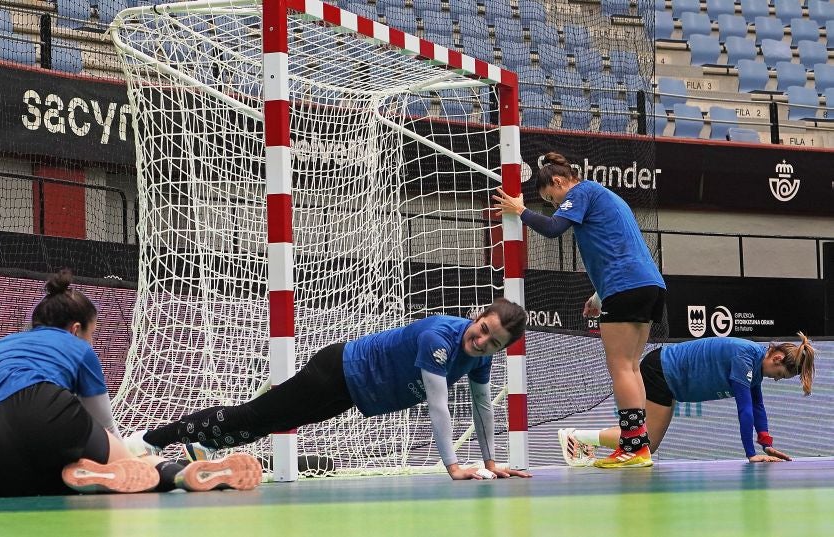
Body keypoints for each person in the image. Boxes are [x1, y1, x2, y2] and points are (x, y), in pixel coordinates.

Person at [0, 269, 262, 497]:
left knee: (52, 479)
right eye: (92, 333)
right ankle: (179, 473)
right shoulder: (75, 347)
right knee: (130, 465)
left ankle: (89, 478)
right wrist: (127, 458)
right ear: (77, 329)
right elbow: (105, 425)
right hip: (42, 412)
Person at [126, 298, 533, 480]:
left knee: (266, 423)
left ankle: (199, 451)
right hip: (336, 372)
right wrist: (453, 467)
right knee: (255, 415)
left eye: (492, 343)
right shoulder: (439, 338)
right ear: (476, 316)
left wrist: (492, 460)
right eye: (482, 331)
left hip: (350, 393)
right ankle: (146, 443)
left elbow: (483, 407)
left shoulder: (480, 359)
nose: (481, 343)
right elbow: (439, 406)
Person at [492, 152, 666, 468]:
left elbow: (553, 228)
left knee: (622, 368)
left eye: (552, 197)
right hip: (649, 285)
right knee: (632, 366)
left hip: (625, 286)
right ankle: (638, 446)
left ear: (559, 182)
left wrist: (521, 211)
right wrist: (599, 296)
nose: (556, 205)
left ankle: (634, 447)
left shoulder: (582, 192)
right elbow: (619, 247)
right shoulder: (607, 197)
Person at [558, 334, 816, 466]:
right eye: (780, 375)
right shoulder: (745, 357)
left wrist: (766, 444)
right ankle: (576, 437)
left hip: (669, 378)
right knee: (643, 442)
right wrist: (751, 453)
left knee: (647, 446)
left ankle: (583, 440)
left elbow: (757, 405)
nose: (776, 379)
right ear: (777, 359)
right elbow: (745, 408)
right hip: (662, 370)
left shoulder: (757, 366)